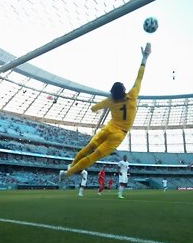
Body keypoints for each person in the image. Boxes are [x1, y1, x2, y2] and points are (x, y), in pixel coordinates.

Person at [59, 43, 152, 182]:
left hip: (109, 128)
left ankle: (70, 166)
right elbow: (139, 77)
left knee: (89, 147)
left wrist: (96, 110)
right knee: (94, 156)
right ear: (124, 90)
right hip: (119, 134)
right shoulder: (132, 95)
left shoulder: (110, 100)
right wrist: (145, 57)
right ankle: (67, 174)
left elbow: (94, 108)